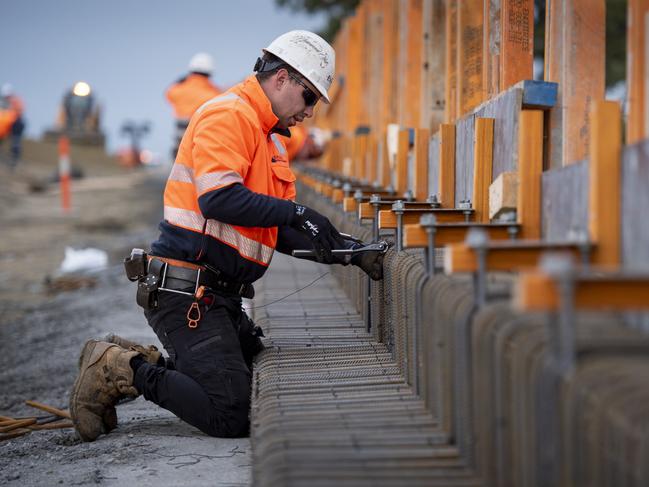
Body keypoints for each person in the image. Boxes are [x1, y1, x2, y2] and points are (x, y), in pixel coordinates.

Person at [69, 30, 385, 442]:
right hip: (186, 295)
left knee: (254, 371)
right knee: (230, 413)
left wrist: (346, 250)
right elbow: (218, 198)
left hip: (220, 296)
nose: (310, 113)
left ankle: (170, 364)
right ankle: (119, 366)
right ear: (282, 78)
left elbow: (277, 228)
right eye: (310, 98)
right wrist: (299, 211)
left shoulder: (270, 138)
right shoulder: (229, 115)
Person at [166, 52, 221, 159]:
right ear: (210, 72)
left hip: (179, 138)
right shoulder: (213, 93)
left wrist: (179, 82)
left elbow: (168, 95)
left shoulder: (177, 90)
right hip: (201, 138)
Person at [0, 83, 25, 168]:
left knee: (15, 142)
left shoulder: (15, 101)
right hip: (5, 125)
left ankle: (14, 160)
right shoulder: (4, 101)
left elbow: (18, 112)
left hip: (15, 124)